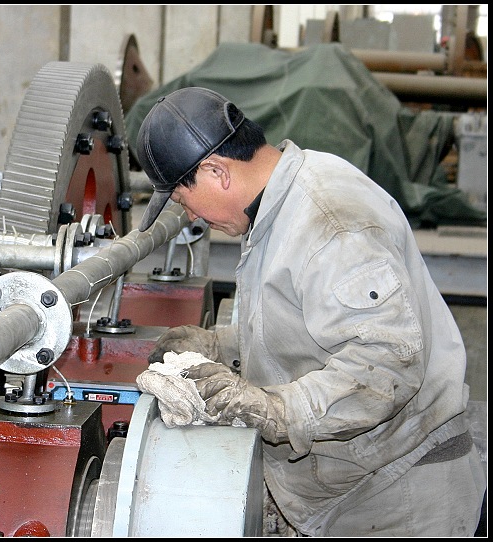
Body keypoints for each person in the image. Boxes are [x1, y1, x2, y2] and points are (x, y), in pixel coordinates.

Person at [136, 86, 486, 536]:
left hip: (398, 499)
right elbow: (311, 325)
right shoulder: (276, 207)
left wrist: (275, 410)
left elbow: (385, 366)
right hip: (348, 489)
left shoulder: (329, 223)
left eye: (184, 201)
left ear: (216, 171)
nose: (194, 217)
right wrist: (223, 345)